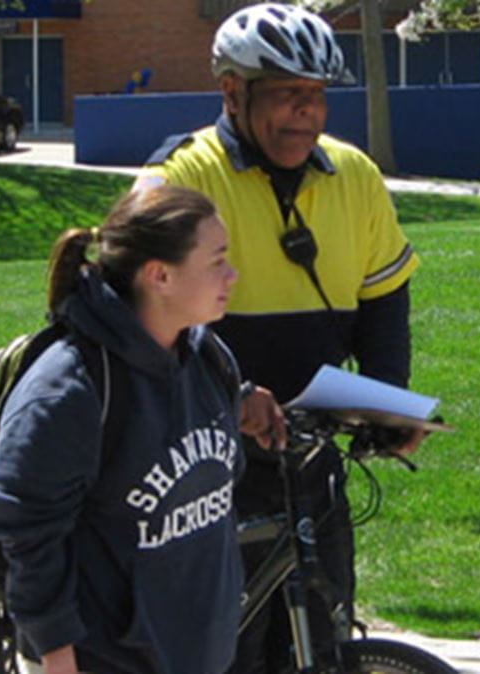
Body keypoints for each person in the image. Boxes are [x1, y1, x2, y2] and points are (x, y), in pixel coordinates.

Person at [135, 4, 424, 672]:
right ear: (232, 93)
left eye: (317, 96)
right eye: (288, 94)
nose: (306, 113)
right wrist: (230, 393)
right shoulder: (183, 178)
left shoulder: (354, 176)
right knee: (222, 648)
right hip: (204, 463)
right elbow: (135, 317)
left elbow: (384, 301)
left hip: (309, 456)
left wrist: (388, 404)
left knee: (321, 637)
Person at [0, 185, 287, 674]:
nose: (233, 275)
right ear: (160, 276)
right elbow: (26, 528)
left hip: (196, 652)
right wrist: (56, 651)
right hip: (105, 660)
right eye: (217, 261)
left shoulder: (208, 359)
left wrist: (246, 406)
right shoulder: (69, 390)